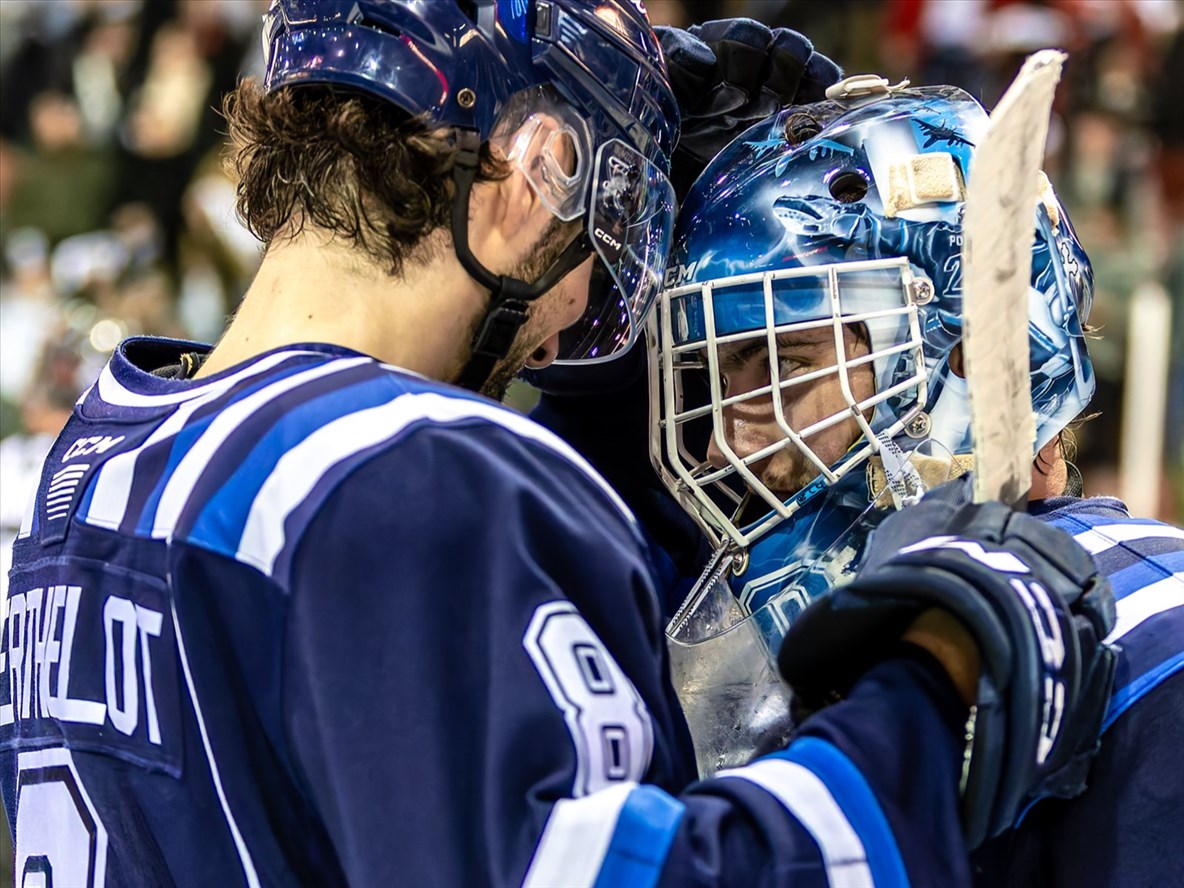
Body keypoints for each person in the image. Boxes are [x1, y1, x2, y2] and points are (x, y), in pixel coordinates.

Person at [0, 4, 1114, 885]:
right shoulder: (413, 472)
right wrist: (928, 680)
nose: (596, 311)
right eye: (618, 220)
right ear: (541, 164)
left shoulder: (103, 455)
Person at [538, 78, 1182, 884]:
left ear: (964, 359)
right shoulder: (834, 642)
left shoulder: (1158, 639)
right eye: (716, 385)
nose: (715, 447)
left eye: (780, 365)